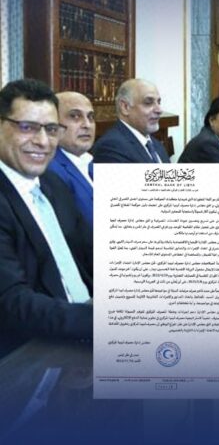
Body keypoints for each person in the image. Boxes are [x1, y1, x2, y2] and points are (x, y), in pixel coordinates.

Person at [0, 79, 92, 357]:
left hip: (81, 330)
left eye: (51, 129)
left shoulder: (53, 185)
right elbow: (11, 302)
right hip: (28, 352)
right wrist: (104, 321)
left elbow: (91, 252)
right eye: (27, 127)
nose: (42, 142)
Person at [92, 78, 170, 163]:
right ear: (125, 107)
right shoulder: (110, 147)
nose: (159, 110)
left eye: (158, 102)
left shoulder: (156, 144)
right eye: (148, 103)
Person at [48, 91, 95, 225]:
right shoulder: (51, 170)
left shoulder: (91, 163)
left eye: (91, 117)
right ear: (53, 124)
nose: (87, 125)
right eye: (75, 116)